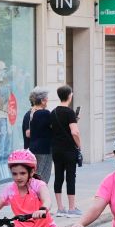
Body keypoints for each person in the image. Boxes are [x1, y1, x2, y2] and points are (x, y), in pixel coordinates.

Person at [49, 84, 82, 217]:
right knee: (70, 177)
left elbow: (54, 128)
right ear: (69, 96)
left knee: (58, 176)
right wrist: (79, 145)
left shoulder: (53, 112)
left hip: (56, 149)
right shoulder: (69, 112)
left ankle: (60, 208)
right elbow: (75, 132)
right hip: (69, 149)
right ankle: (72, 208)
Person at [26, 88, 54, 182]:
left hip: (33, 148)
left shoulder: (30, 113)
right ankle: (39, 196)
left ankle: (33, 195)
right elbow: (54, 127)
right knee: (43, 177)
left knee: (34, 175)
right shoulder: (45, 113)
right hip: (44, 150)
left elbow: (28, 132)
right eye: (46, 99)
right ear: (42, 101)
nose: (47, 101)